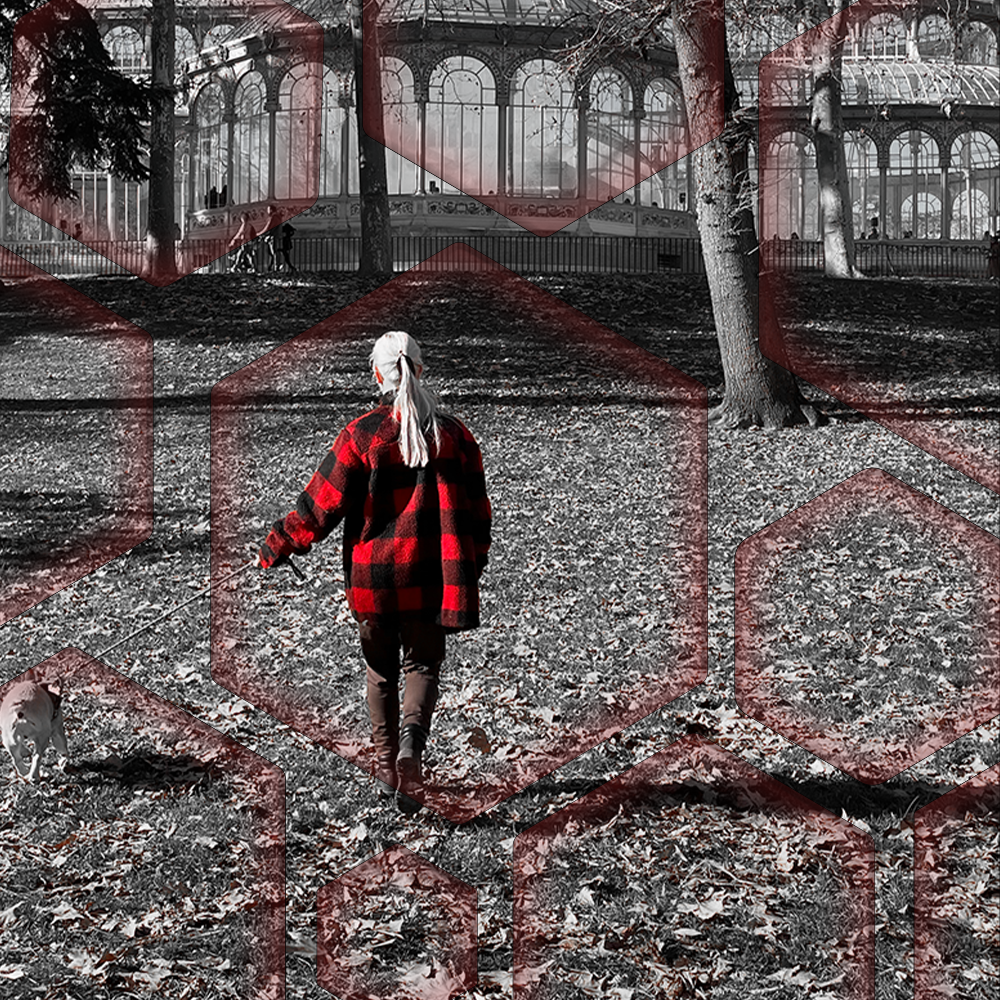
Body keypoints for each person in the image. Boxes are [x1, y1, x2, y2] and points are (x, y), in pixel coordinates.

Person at [258, 332, 492, 812]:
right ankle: (411, 751)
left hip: (375, 581)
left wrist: (278, 544)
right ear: (420, 370)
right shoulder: (455, 436)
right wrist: (473, 565)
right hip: (435, 576)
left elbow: (319, 506)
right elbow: (477, 514)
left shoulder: (361, 435)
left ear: (376, 375)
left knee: (380, 671)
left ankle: (387, 767)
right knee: (422, 665)